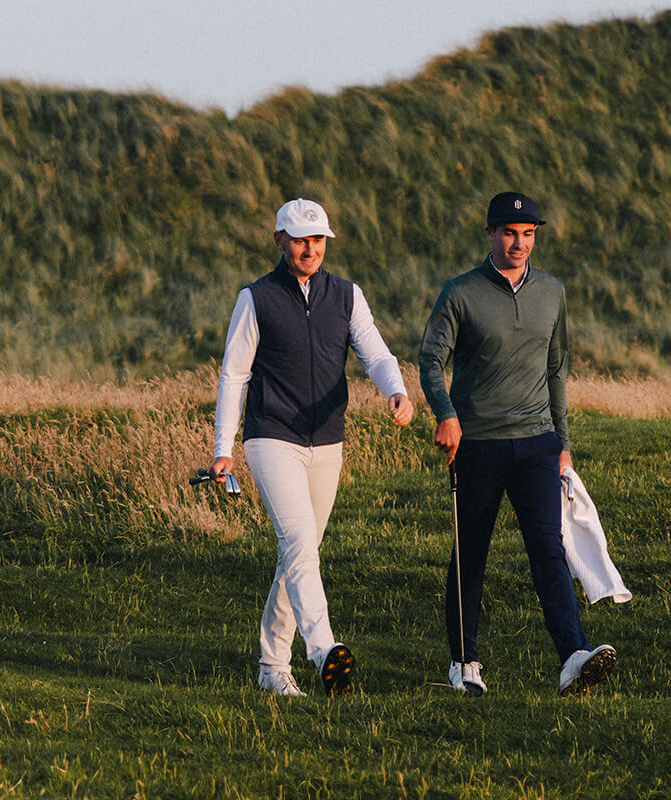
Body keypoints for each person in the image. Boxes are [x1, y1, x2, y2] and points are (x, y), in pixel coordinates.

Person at [211, 198, 414, 696]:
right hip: (271, 436)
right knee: (300, 543)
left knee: (298, 552)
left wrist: (397, 389)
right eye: (300, 240)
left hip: (327, 442)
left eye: (318, 240)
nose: (310, 249)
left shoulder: (346, 296)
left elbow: (375, 351)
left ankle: (271, 666)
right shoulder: (255, 298)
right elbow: (234, 374)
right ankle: (324, 650)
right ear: (279, 240)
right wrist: (223, 446)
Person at [418, 191, 616, 697]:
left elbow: (557, 369)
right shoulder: (460, 292)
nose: (519, 243)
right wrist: (446, 414)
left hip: (538, 444)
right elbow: (430, 360)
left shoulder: (552, 291)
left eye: (528, 234)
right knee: (471, 554)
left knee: (549, 549)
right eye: (509, 233)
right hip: (477, 445)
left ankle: (573, 655)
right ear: (490, 233)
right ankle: (465, 664)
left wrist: (563, 444)